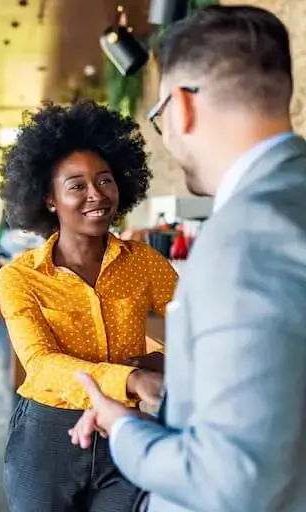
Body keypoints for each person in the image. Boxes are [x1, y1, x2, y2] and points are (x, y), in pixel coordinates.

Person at [70, 6, 306, 511]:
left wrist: (125, 428)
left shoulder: (244, 237)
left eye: (157, 119)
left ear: (181, 108)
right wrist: (177, 405)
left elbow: (228, 480)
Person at [0, 100, 177, 512]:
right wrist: (129, 379)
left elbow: (195, 328)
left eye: (105, 180)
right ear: (48, 199)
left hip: (126, 433)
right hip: (47, 435)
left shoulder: (145, 263)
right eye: (76, 185)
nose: (96, 195)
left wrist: (161, 361)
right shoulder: (21, 276)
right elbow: (40, 363)